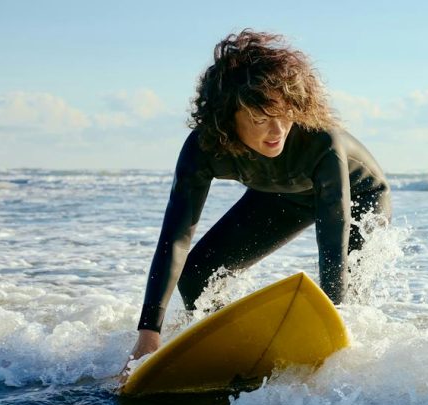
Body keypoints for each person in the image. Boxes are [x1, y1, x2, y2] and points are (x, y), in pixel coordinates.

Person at [126, 29, 391, 363]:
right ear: (227, 118)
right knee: (197, 276)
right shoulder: (205, 147)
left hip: (357, 197)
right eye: (260, 118)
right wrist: (149, 333)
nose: (277, 131)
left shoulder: (321, 144)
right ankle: (235, 350)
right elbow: (176, 236)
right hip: (281, 194)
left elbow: (332, 247)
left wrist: (332, 336)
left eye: (284, 115)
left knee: (345, 294)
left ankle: (352, 364)